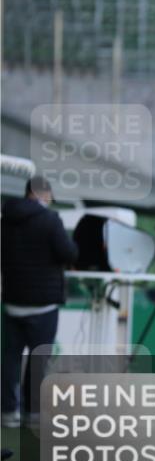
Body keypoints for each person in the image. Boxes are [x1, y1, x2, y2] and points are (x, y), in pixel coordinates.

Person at [1, 176, 77, 429]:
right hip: (43, 304)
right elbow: (68, 253)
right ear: (44, 195)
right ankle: (32, 412)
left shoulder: (6, 220)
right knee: (38, 358)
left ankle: (8, 412)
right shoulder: (50, 220)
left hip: (13, 301)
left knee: (10, 358)